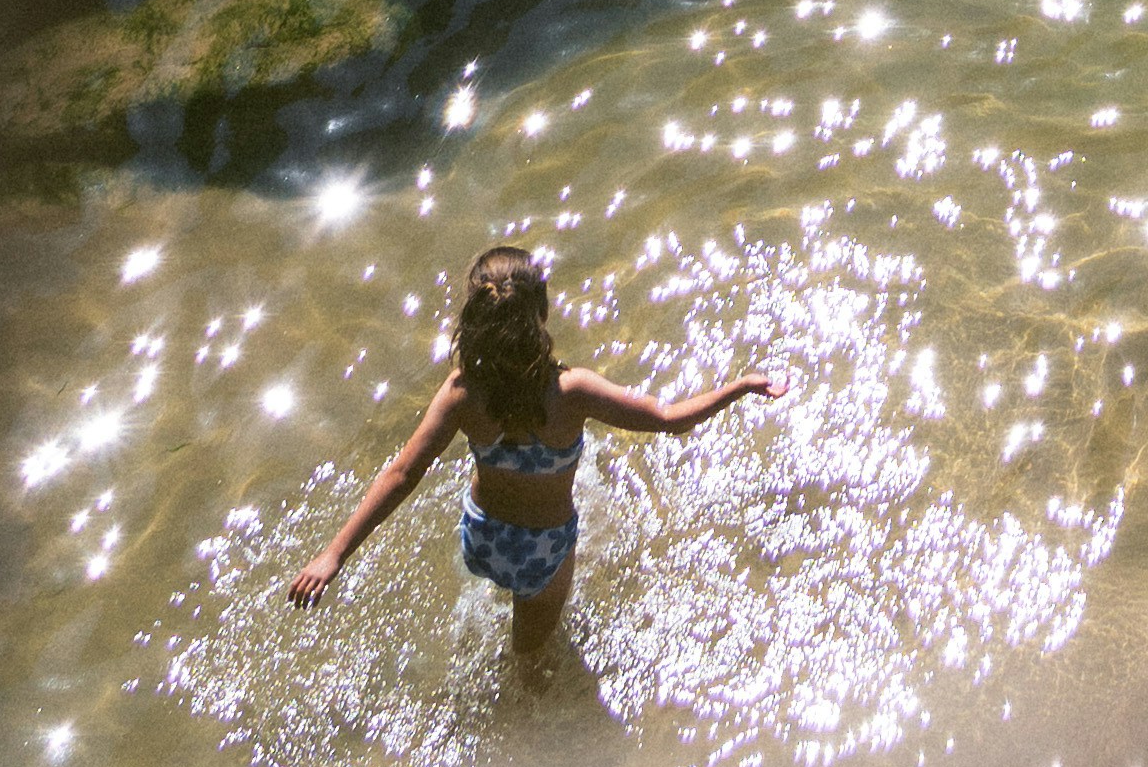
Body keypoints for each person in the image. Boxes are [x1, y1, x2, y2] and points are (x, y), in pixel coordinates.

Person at [287, 242, 780, 670]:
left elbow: (402, 474)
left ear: (475, 322)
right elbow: (668, 418)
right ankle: (523, 702)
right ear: (540, 314)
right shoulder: (571, 391)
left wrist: (334, 554)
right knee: (529, 657)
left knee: (491, 575)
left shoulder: (462, 393)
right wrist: (740, 386)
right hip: (543, 552)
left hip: (479, 536)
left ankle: (482, 612)